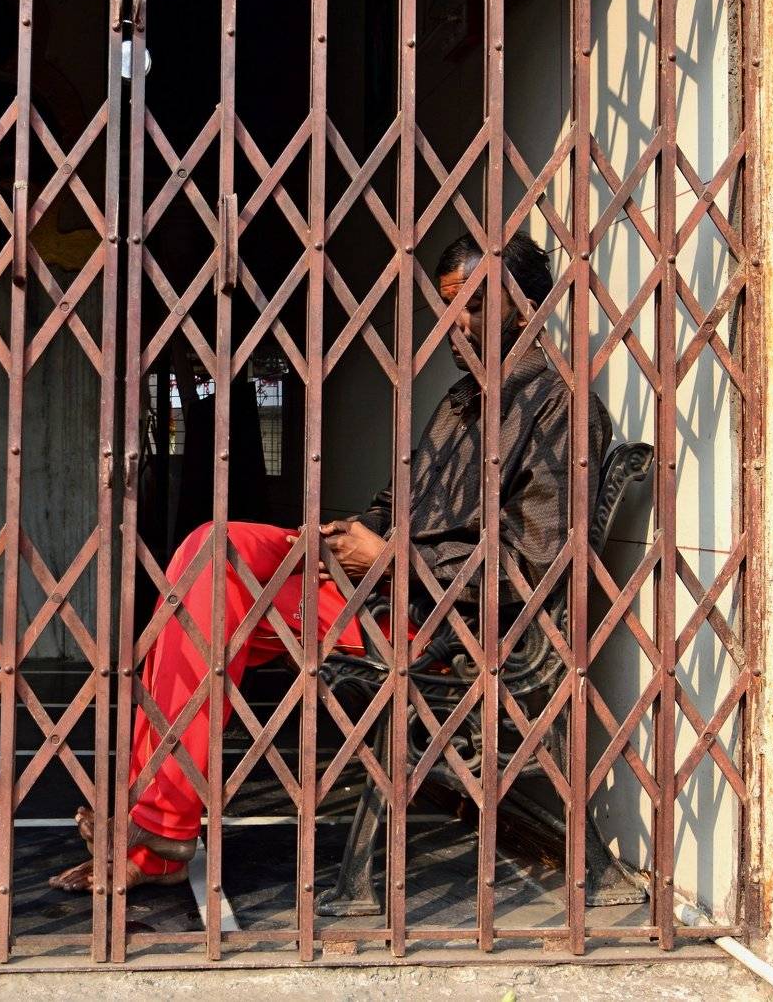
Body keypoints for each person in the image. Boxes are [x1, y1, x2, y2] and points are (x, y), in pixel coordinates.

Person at [49, 231, 609, 892]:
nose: (456, 325)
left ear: (525, 307)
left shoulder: (560, 407)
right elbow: (395, 504)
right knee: (208, 549)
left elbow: (532, 565)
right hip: (384, 589)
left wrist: (394, 560)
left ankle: (157, 837)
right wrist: (350, 536)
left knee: (212, 593)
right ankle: (154, 820)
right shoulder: (461, 404)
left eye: (477, 306)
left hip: (442, 624)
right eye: (448, 308)